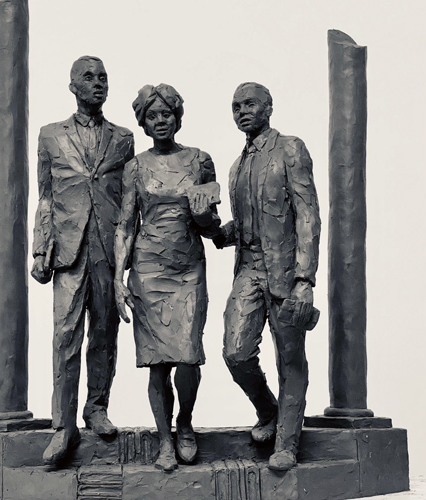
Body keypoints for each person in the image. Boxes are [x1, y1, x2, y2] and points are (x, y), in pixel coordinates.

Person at [31, 56, 134, 465]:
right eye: (89, 78)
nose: (98, 84)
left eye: (103, 77)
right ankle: (63, 424)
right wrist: (41, 248)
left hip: (109, 250)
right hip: (69, 253)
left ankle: (96, 407)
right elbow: (44, 196)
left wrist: (131, 258)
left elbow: (130, 204)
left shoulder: (124, 138)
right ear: (72, 86)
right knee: (65, 336)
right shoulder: (50, 136)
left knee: (105, 333)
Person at [214, 82, 321, 471]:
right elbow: (240, 226)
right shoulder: (236, 166)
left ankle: (288, 444)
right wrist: (209, 225)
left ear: (269, 108)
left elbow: (308, 215)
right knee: (235, 351)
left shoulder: (290, 148)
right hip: (249, 270)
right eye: (235, 105)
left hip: (286, 271)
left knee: (290, 359)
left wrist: (304, 279)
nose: (241, 111)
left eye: (249, 104)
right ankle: (270, 410)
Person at [114, 84, 221, 472]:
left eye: (166, 114)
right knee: (158, 362)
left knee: (189, 356)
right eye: (152, 115)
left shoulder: (199, 160)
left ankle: (186, 424)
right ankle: (163, 440)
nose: (160, 121)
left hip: (188, 266)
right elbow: (125, 225)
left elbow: (211, 224)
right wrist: (117, 279)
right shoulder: (136, 167)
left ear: (178, 116)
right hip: (147, 270)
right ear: (143, 122)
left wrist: (206, 216)